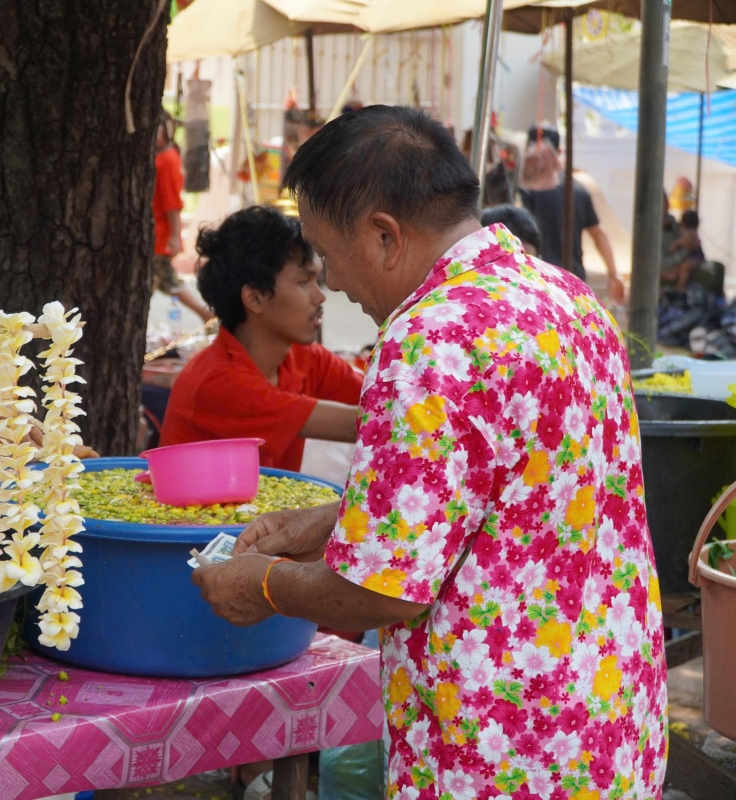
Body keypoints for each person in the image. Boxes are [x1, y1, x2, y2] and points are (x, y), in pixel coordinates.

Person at [192, 106, 667, 799]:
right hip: (608, 719)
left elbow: (381, 592)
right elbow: (516, 489)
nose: (338, 284)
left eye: (330, 254)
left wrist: (264, 584)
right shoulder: (564, 295)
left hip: (504, 744)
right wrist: (331, 519)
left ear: (384, 236)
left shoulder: (429, 338)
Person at [159, 206, 362, 472]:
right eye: (304, 282)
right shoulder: (217, 382)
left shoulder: (306, 358)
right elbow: (372, 422)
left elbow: (380, 398)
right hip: (190, 515)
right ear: (254, 298)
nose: (320, 297)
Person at [519, 123, 626, 303]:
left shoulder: (523, 190)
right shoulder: (578, 189)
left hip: (535, 281)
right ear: (559, 152)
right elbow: (598, 234)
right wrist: (613, 274)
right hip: (573, 283)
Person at [152, 114, 213, 322]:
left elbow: (172, 203)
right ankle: (207, 314)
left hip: (158, 235)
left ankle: (208, 314)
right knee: (167, 281)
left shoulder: (166, 159)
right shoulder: (162, 157)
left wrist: (174, 236)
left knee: (166, 281)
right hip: (157, 234)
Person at [662, 209, 705, 292]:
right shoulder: (683, 230)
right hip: (688, 255)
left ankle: (680, 286)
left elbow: (686, 240)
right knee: (677, 267)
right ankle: (672, 279)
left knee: (684, 267)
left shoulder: (691, 232)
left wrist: (675, 244)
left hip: (696, 256)